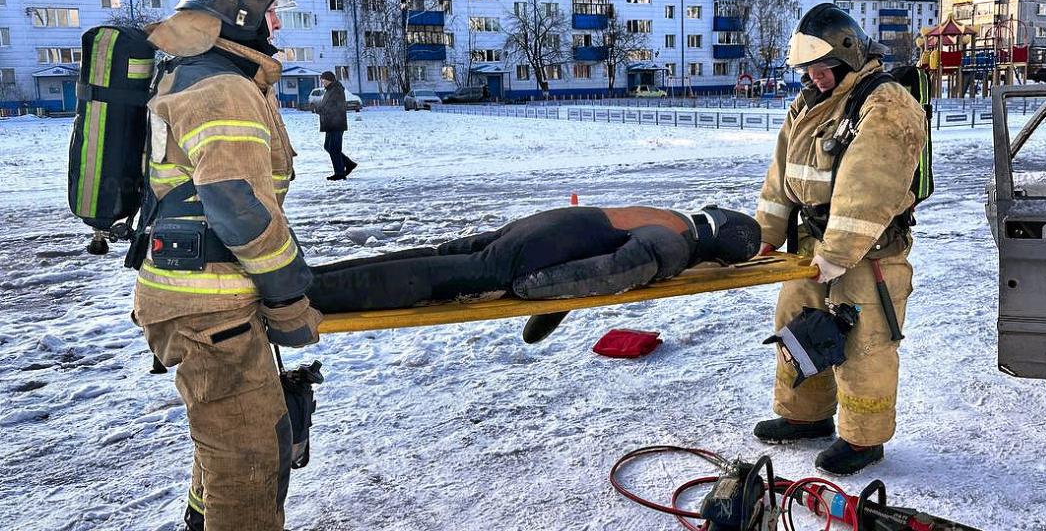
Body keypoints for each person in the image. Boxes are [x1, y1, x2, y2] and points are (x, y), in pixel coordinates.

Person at [132, 0, 335, 531]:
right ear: (239, 4)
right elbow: (239, 208)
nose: (278, 22)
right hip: (209, 302)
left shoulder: (196, 73)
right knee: (247, 439)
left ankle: (212, 530)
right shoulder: (221, 88)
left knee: (219, 425)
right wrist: (288, 299)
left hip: (189, 295)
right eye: (273, 7)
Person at [753, 3, 927, 475]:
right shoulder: (807, 105)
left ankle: (863, 440)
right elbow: (781, 177)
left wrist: (836, 255)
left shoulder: (886, 103)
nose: (812, 76)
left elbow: (869, 188)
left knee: (863, 342)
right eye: (806, 68)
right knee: (797, 325)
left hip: (869, 252)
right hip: (813, 246)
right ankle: (806, 417)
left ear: (848, 55)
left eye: (821, 66)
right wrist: (765, 236)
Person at [307, 205, 760, 341]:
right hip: (549, 244)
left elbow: (595, 255)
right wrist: (536, 291)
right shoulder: (674, 244)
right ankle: (311, 294)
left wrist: (548, 315)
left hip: (551, 224)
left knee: (438, 255)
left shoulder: (670, 216)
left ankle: (310, 277)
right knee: (436, 278)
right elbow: (608, 272)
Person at [315, 70, 356, 180]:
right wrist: (320, 109)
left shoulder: (337, 89)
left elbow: (337, 106)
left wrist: (322, 110)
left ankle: (339, 173)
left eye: (323, 80)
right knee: (328, 146)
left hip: (336, 123)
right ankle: (348, 163)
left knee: (334, 148)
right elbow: (327, 105)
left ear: (328, 79)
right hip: (330, 123)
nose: (322, 82)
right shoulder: (330, 89)